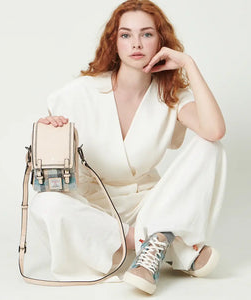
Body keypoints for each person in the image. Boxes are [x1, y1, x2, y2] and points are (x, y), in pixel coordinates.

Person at [31, 0, 227, 295]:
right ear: (115, 42)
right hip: (95, 207)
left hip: (149, 203)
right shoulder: (78, 94)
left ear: (162, 41)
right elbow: (53, 163)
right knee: (44, 202)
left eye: (147, 34)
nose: (136, 43)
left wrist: (189, 64)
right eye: (126, 35)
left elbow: (214, 130)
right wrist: (53, 130)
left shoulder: (171, 95)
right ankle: (162, 242)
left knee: (212, 147)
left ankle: (158, 240)